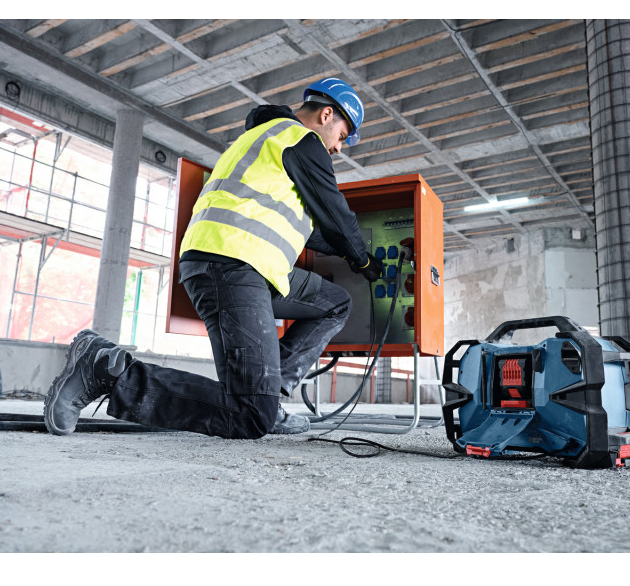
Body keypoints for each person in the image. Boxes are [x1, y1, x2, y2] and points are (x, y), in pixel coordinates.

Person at [44, 77, 383, 439]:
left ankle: (271, 393)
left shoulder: (265, 139)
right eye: (342, 135)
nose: (339, 148)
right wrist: (363, 261)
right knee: (251, 416)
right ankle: (107, 370)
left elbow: (306, 228)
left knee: (334, 303)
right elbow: (336, 214)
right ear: (326, 115)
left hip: (246, 261)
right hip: (232, 262)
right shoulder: (301, 139)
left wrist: (348, 251)